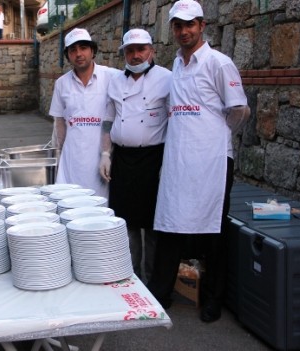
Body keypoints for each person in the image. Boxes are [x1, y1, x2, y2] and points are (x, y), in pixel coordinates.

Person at [147, 0, 251, 323]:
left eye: (189, 24)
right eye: (178, 25)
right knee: (170, 223)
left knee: (214, 230)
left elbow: (240, 110)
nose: (183, 31)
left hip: (213, 162)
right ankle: (159, 292)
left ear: (202, 25)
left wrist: (215, 138)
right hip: (180, 161)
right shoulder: (176, 64)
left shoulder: (219, 64)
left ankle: (213, 299)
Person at [99, 28, 171, 284]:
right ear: (124, 54)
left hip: (154, 159)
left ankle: (153, 281)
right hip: (123, 160)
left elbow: (175, 122)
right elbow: (108, 120)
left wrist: (170, 163)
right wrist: (106, 154)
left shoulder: (168, 79)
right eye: (130, 51)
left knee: (153, 225)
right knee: (125, 223)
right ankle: (131, 278)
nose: (136, 55)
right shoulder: (116, 81)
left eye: (141, 50)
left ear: (151, 51)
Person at [49, 28, 121, 197]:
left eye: (83, 48)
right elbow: (59, 121)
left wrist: (106, 154)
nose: (78, 54)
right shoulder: (62, 84)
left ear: (92, 50)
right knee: (71, 205)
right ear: (68, 56)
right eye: (73, 50)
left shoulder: (113, 77)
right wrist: (58, 152)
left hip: (101, 159)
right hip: (72, 159)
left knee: (100, 209)